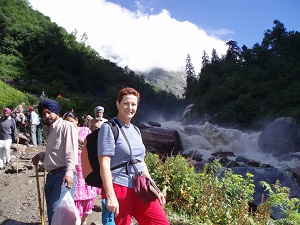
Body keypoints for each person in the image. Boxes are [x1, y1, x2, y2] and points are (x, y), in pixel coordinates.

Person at [98, 87, 169, 225]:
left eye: (133, 104)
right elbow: (104, 164)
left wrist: (154, 188)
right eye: (126, 103)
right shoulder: (109, 128)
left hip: (141, 187)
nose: (130, 107)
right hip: (119, 186)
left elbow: (141, 162)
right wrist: (110, 196)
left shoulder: (136, 130)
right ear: (118, 104)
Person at [31, 99, 78, 225]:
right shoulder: (51, 129)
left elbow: (71, 151)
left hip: (62, 176)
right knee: (53, 215)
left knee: (59, 215)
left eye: (48, 112)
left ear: (55, 111)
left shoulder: (66, 126)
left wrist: (69, 173)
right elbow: (55, 152)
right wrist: (41, 155)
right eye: (43, 114)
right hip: (51, 176)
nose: (46, 116)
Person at [63, 111, 100, 225]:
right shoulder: (65, 135)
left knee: (88, 201)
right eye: (66, 122)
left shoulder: (86, 131)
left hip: (87, 169)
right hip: (73, 171)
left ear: (77, 121)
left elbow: (94, 147)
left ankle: (84, 221)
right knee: (75, 201)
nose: (69, 124)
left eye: (71, 121)